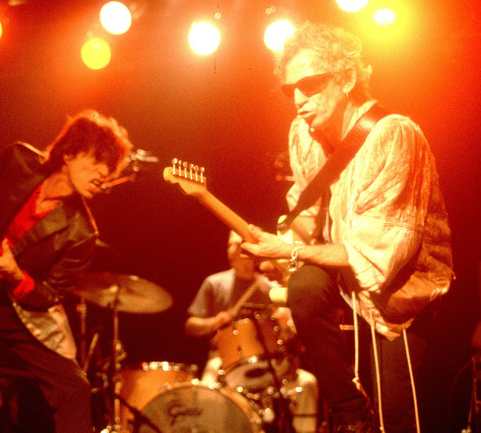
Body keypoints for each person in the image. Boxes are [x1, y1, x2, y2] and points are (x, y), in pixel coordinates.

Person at [240, 23, 453, 433]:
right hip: (345, 286)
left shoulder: (394, 135)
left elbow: (381, 254)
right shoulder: (303, 135)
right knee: (302, 286)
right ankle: (348, 410)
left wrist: (289, 252)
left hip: (399, 301)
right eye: (290, 91)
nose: (299, 100)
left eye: (310, 85)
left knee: (397, 418)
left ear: (347, 78)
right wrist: (276, 246)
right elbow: (309, 220)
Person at [0, 110, 133, 433]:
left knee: (75, 388)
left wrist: (14, 275)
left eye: (108, 168)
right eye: (96, 161)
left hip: (24, 312)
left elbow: (48, 295)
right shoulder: (17, 160)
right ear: (68, 153)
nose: (103, 174)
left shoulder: (82, 231)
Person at [185, 231, 318, 433]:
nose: (236, 251)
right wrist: (215, 322)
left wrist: (285, 326)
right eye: (233, 247)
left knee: (307, 383)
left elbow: (291, 338)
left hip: (271, 364)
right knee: (206, 389)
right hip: (225, 362)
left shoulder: (272, 288)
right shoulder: (215, 283)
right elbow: (190, 326)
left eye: (242, 246)